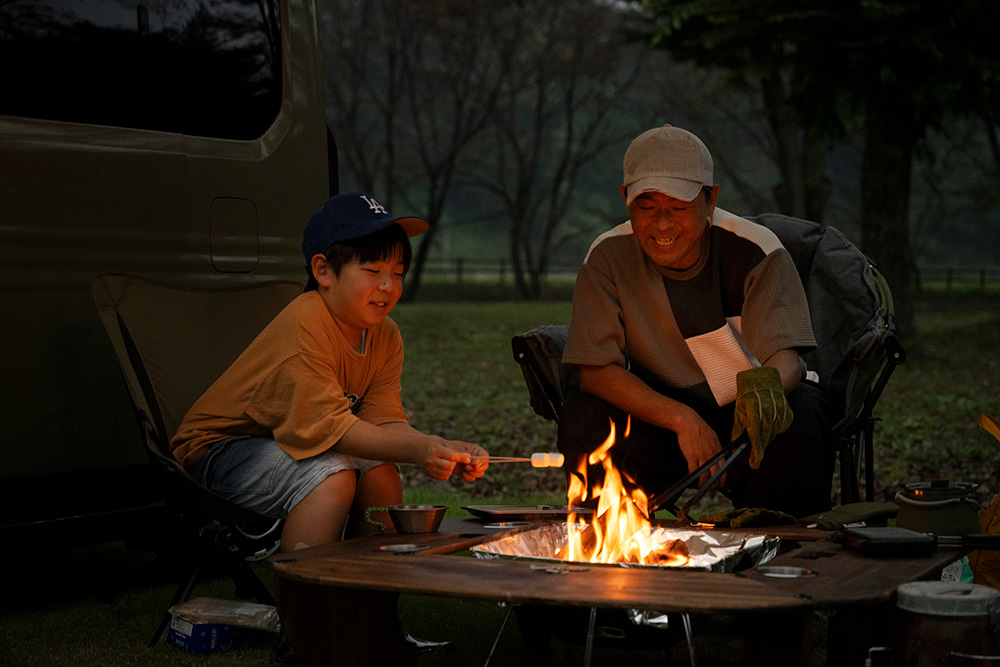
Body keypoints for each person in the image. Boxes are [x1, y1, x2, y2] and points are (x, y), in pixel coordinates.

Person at [170, 192, 488, 551]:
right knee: (332, 476)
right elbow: (332, 428)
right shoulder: (307, 320)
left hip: (288, 440)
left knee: (382, 475)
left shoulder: (385, 335)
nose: (388, 286)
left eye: (397, 273)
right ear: (323, 270)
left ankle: (367, 599)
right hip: (217, 453)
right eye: (372, 271)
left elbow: (384, 421)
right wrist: (417, 449)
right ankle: (307, 603)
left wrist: (440, 448)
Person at [557, 125, 836, 518]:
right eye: (647, 206)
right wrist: (682, 419)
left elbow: (786, 357)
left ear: (711, 200)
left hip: (744, 416)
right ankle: (613, 547)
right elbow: (596, 372)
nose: (663, 224)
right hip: (662, 414)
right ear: (625, 201)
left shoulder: (757, 251)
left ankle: (781, 553)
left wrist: (765, 385)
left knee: (803, 413)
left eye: (680, 206)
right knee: (584, 415)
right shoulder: (607, 258)